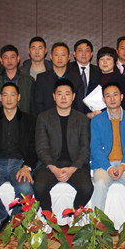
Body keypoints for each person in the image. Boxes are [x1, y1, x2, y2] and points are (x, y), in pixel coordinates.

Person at [0, 83, 37, 233]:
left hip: (19, 164)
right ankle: (2, 216)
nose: (9, 99)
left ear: (19, 97)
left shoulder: (29, 120)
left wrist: (27, 166)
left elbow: (33, 147)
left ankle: (15, 221)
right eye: (5, 95)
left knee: (25, 189)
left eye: (12, 95)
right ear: (0, 98)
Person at [33, 79, 93, 214]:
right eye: (60, 94)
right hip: (50, 165)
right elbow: (42, 148)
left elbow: (85, 149)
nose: (64, 97)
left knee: (87, 188)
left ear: (73, 96)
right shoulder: (43, 118)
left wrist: (72, 169)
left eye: (67, 94)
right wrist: (54, 168)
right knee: (39, 187)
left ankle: (73, 215)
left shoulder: (82, 119)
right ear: (54, 96)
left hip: (75, 165)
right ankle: (49, 217)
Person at [89, 83, 125, 213]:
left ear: (121, 97)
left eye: (115, 95)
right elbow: (95, 148)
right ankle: (97, 222)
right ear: (103, 99)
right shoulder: (96, 120)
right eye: (108, 96)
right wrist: (108, 167)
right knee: (100, 184)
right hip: (103, 165)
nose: (112, 99)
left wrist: (123, 166)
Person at [0, 44, 35, 114]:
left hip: (22, 119)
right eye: (6, 57)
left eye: (12, 57)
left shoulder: (29, 81)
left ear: (18, 58)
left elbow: (32, 108)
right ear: (1, 60)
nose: (9, 61)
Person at [33, 42, 83, 114]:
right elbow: (38, 105)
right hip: (47, 119)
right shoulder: (41, 78)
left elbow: (79, 106)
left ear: (68, 57)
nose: (59, 58)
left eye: (63, 55)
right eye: (56, 55)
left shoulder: (77, 78)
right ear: (51, 57)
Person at [67, 39, 101, 114]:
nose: (84, 54)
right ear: (74, 54)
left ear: (91, 54)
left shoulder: (98, 71)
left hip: (93, 112)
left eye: (87, 51)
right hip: (72, 112)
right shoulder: (67, 70)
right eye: (80, 50)